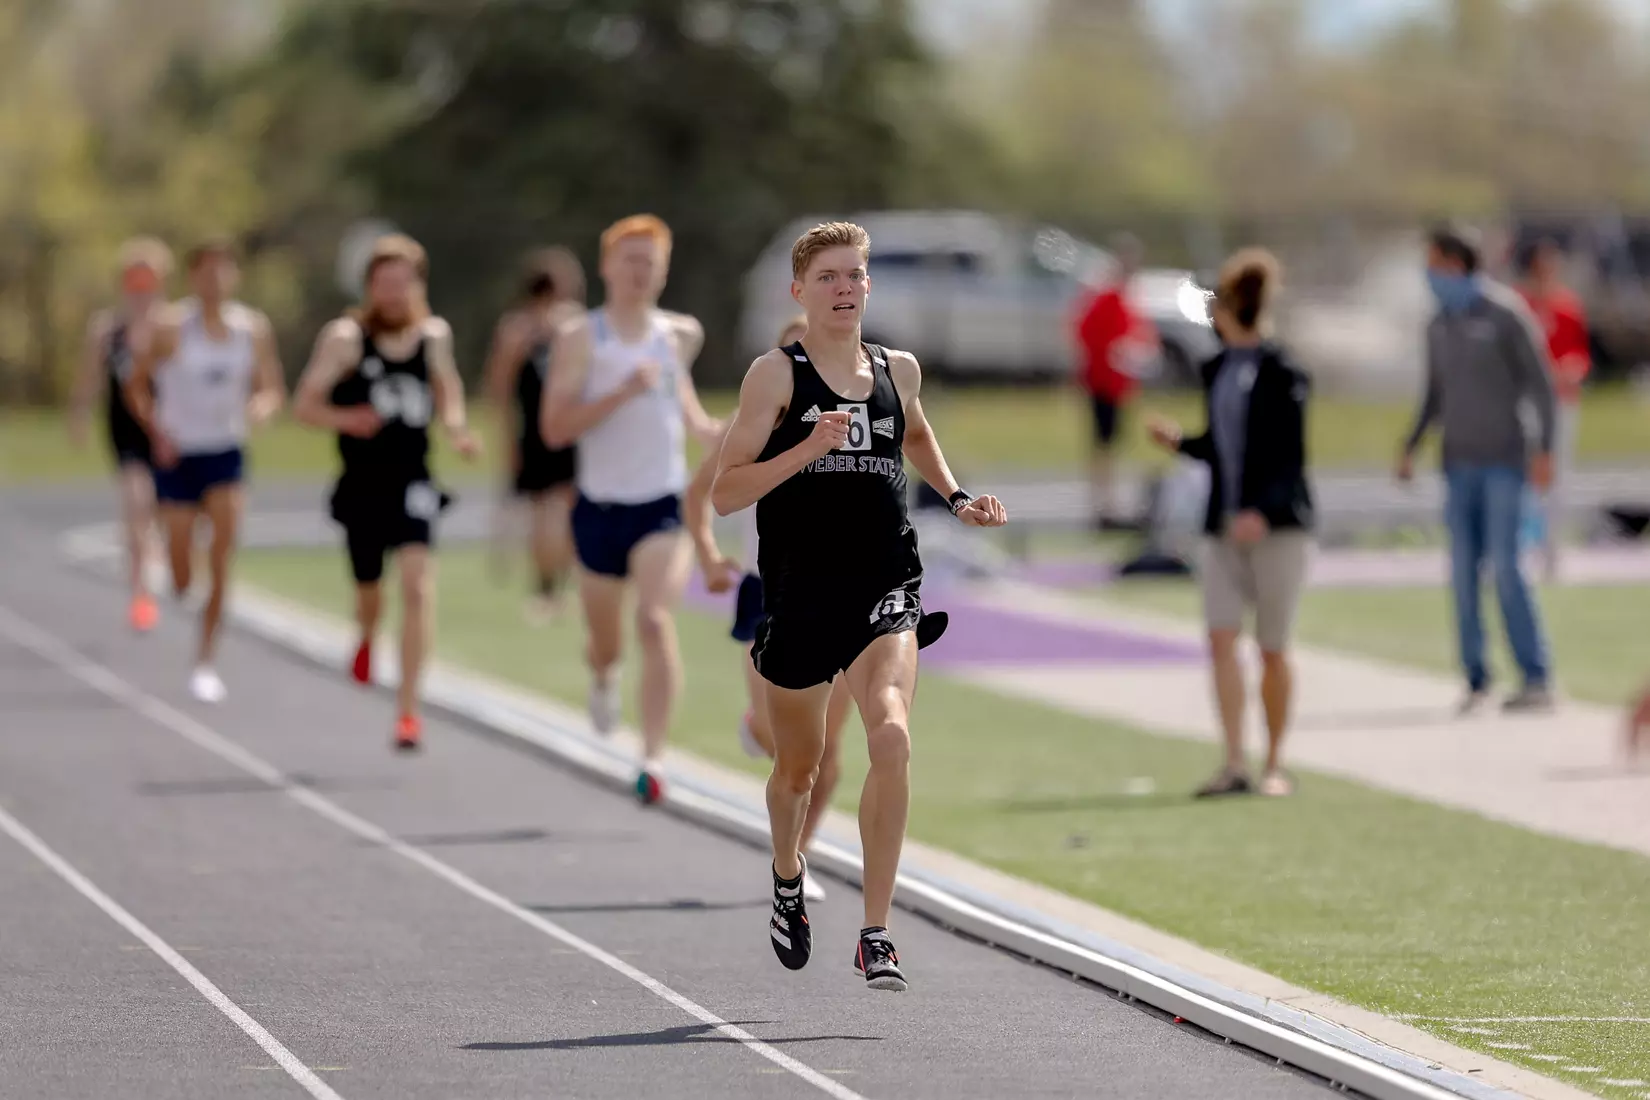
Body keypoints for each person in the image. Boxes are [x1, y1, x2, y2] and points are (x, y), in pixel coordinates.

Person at [712, 221, 1007, 992]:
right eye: (830, 278)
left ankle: (876, 931)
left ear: (869, 286)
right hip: (800, 595)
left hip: (886, 585)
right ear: (800, 291)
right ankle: (787, 872)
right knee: (797, 772)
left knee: (892, 735)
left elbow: (916, 435)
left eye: (856, 276)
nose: (846, 289)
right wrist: (807, 449)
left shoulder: (896, 368)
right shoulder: (774, 377)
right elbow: (725, 491)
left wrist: (958, 497)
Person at [541, 214, 720, 805]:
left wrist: (711, 432)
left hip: (663, 506)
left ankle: (653, 755)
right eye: (631, 261)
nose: (640, 273)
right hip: (599, 508)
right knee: (607, 642)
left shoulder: (676, 336)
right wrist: (621, 392)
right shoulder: (581, 338)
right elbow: (555, 429)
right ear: (607, 267)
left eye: (651, 263)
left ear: (664, 272)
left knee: (653, 618)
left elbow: (684, 402)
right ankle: (602, 675)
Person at [292, 234, 480, 751]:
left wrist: (459, 430)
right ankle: (367, 635)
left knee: (418, 588)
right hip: (362, 484)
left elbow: (449, 390)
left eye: (404, 283)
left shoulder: (433, 336)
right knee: (371, 593)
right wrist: (346, 418)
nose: (394, 294)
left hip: (414, 479)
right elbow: (304, 406)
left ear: (419, 285)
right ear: (370, 287)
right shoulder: (346, 339)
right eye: (384, 283)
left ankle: (409, 709)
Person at [684, 313, 847, 903]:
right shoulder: (751, 419)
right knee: (782, 738)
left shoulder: (854, 412)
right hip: (766, 591)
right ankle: (755, 729)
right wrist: (706, 555)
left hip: (840, 596)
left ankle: (797, 859)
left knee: (826, 755)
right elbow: (700, 495)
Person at [1147, 250, 1313, 799]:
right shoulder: (1216, 368)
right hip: (1222, 527)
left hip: (1276, 530)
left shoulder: (1283, 370)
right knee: (1220, 639)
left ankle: (1276, 762)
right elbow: (1221, 448)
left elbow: (1290, 456)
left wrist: (1260, 511)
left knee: (1271, 647)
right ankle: (1234, 760)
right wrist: (1181, 443)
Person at [1398, 223, 1558, 714]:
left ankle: (1535, 677)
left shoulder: (1506, 314)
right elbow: (1434, 394)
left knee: (1507, 569)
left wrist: (1544, 450)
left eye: (1434, 264)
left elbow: (1541, 386)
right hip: (1458, 463)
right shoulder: (1437, 324)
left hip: (1504, 462)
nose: (1429, 275)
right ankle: (1476, 678)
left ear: (1455, 263)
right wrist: (1411, 445)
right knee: (1463, 575)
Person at [124, 237, 285, 702]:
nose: (216, 280)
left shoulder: (251, 328)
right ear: (194, 277)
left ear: (234, 276)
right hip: (179, 453)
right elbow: (136, 386)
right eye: (207, 271)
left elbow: (270, 387)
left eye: (224, 270)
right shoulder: (172, 327)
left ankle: (206, 661)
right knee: (180, 574)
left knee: (222, 556)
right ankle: (177, 566)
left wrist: (260, 407)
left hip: (225, 451)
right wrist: (157, 431)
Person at [68, 237, 173, 633]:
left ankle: (164, 562)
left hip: (168, 429)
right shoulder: (107, 329)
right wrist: (78, 414)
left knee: (167, 511)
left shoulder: (174, 325)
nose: (141, 291)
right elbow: (89, 377)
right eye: (134, 282)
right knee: (135, 502)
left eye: (149, 282)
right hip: (125, 430)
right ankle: (140, 589)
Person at [483, 247, 586, 621]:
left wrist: (507, 440)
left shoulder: (517, 327)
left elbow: (498, 390)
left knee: (549, 513)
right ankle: (554, 587)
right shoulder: (566, 325)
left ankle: (549, 587)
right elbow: (504, 387)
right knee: (560, 512)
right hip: (557, 431)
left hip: (546, 433)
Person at [1074, 232, 1159, 530]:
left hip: (1119, 383)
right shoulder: (1107, 297)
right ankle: (1103, 504)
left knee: (1114, 443)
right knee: (1104, 444)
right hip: (1103, 382)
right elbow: (1087, 333)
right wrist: (1112, 354)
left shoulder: (1126, 297)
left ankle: (1111, 501)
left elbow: (1137, 334)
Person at [1517, 238, 1591, 580]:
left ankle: (1551, 550)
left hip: (1561, 403)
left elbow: (1580, 352)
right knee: (1521, 474)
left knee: (1557, 474)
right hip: (1527, 402)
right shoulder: (1518, 305)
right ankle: (1516, 546)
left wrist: (1572, 369)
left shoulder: (1568, 306)